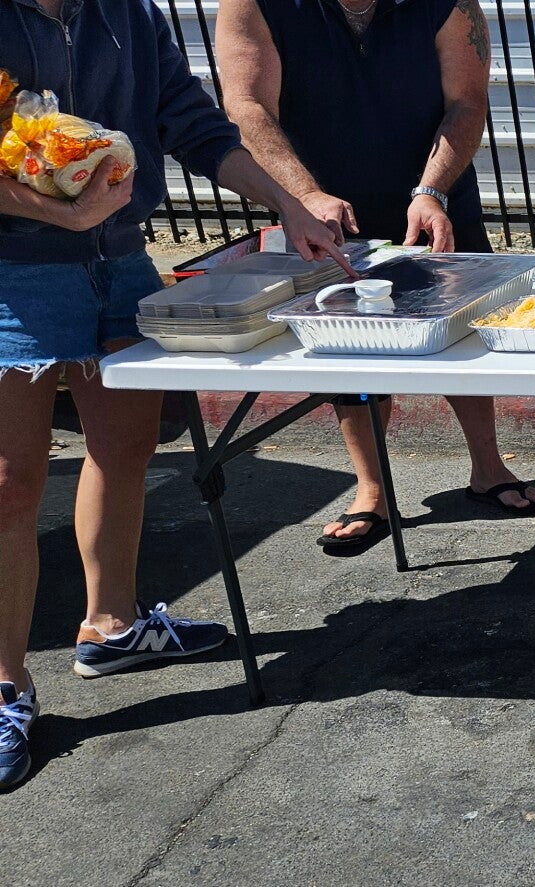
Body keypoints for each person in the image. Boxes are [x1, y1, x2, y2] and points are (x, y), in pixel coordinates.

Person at [1, 0, 355, 790]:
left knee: (126, 446)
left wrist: (289, 205)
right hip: (11, 274)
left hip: (120, 260)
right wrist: (59, 212)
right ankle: (4, 685)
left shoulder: (129, 14)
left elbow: (194, 124)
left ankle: (112, 625)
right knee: (10, 484)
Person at [215, 0, 535, 557]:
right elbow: (247, 106)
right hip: (322, 205)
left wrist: (432, 191)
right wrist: (303, 194)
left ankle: (488, 466)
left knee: (462, 331)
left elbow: (466, 100)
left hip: (435, 194)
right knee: (350, 349)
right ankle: (372, 488)